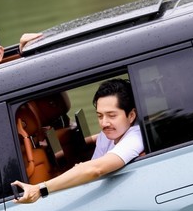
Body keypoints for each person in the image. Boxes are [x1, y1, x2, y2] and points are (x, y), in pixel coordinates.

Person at [12, 78, 143, 204]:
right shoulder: (108, 134)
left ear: (131, 115)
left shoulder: (135, 138)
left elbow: (95, 170)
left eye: (112, 115)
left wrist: (40, 189)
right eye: (99, 116)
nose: (104, 123)